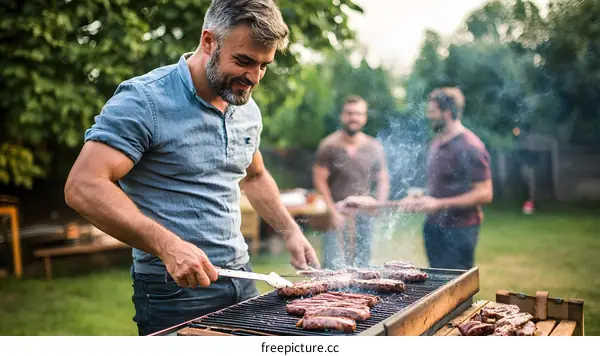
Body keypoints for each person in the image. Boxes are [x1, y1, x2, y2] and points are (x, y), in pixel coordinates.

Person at [64, 0, 320, 336]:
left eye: (263, 66)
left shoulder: (245, 105)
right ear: (208, 41)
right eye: (243, 61)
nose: (253, 77)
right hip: (174, 289)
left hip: (242, 279)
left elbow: (254, 176)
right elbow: (83, 185)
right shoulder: (145, 100)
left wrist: (290, 231)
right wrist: (167, 246)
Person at [338, 87, 492, 270]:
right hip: (434, 227)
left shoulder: (470, 146)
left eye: (432, 112)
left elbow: (485, 193)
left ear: (447, 112)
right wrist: (419, 197)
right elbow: (443, 185)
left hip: (459, 230)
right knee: (437, 282)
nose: (429, 116)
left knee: (457, 287)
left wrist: (438, 204)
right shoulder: (437, 142)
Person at [312, 95, 389, 270]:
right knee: (333, 266)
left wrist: (378, 205)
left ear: (365, 117)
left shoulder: (374, 146)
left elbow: (382, 179)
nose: (354, 117)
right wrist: (332, 212)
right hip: (336, 212)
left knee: (364, 266)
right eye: (350, 113)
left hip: (364, 215)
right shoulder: (328, 145)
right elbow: (320, 181)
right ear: (342, 116)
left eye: (359, 114)